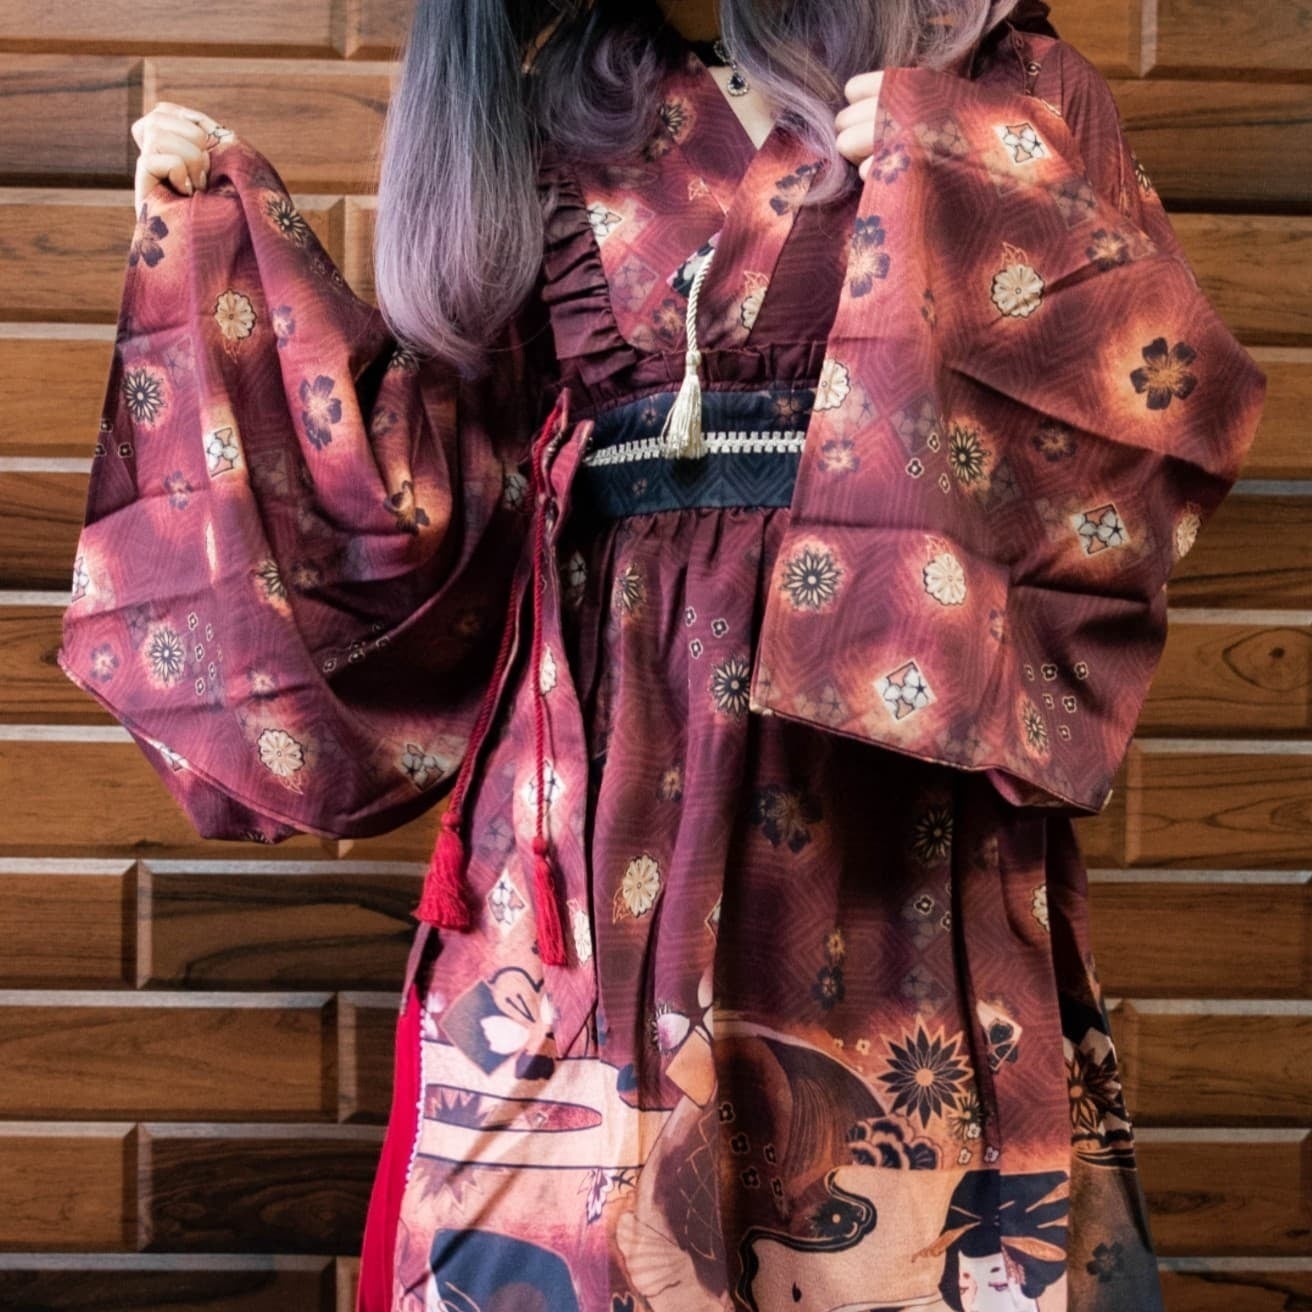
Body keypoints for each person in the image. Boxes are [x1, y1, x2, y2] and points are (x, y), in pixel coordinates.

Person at [59, 0, 1267, 1308]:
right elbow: (433, 481)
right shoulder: (556, 104)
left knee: (890, 1191)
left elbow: (1151, 400)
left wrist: (970, 168)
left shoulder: (992, 66)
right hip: (600, 770)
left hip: (880, 764)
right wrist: (223, 252)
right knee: (568, 1227)